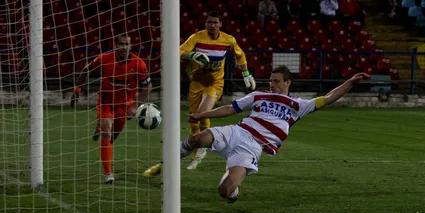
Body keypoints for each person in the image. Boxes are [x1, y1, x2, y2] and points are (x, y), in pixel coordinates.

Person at [143, 66, 369, 203]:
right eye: (270, 80)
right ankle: (164, 164)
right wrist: (202, 116)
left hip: (252, 148)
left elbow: (328, 98)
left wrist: (349, 82)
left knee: (225, 191)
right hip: (237, 132)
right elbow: (230, 109)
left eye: (276, 81)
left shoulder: (299, 105)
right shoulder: (259, 95)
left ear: (288, 82)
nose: (271, 84)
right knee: (197, 139)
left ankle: (233, 190)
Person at [176, 10, 256, 170]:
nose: (212, 25)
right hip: (197, 82)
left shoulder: (228, 40)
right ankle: (196, 154)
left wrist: (246, 73)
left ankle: (202, 150)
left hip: (215, 83)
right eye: (209, 22)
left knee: (202, 112)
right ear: (206, 24)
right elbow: (178, 52)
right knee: (193, 118)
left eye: (215, 22)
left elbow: (240, 55)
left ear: (220, 24)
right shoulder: (197, 37)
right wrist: (191, 55)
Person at [72, 33, 152, 183]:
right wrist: (77, 90)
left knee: (112, 137)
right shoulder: (105, 59)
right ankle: (108, 173)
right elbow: (86, 70)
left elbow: (147, 87)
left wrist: (134, 105)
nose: (124, 47)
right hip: (106, 101)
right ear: (115, 45)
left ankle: (100, 128)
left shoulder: (139, 63)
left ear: (130, 46)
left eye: (126, 44)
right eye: (121, 44)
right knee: (107, 133)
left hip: (125, 105)